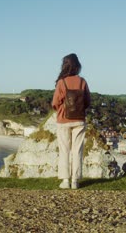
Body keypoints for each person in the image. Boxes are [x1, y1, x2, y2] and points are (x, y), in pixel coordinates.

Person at [52, 53, 91, 189]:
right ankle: (75, 180)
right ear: (77, 66)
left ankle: (65, 180)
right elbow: (87, 102)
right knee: (77, 150)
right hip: (79, 120)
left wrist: (61, 110)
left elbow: (55, 102)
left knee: (64, 150)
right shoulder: (82, 81)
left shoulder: (61, 82)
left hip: (63, 120)